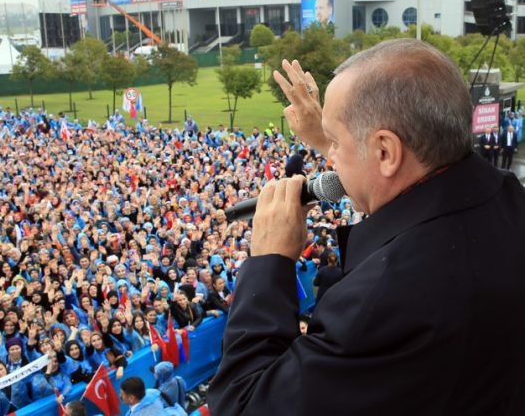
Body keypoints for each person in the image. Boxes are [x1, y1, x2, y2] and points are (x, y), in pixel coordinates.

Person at [207, 38, 525, 414]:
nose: (330, 158)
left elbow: (243, 404)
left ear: (385, 152)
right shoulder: (509, 197)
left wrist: (269, 262)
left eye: (337, 143)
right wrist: (336, 140)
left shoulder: (381, 301)